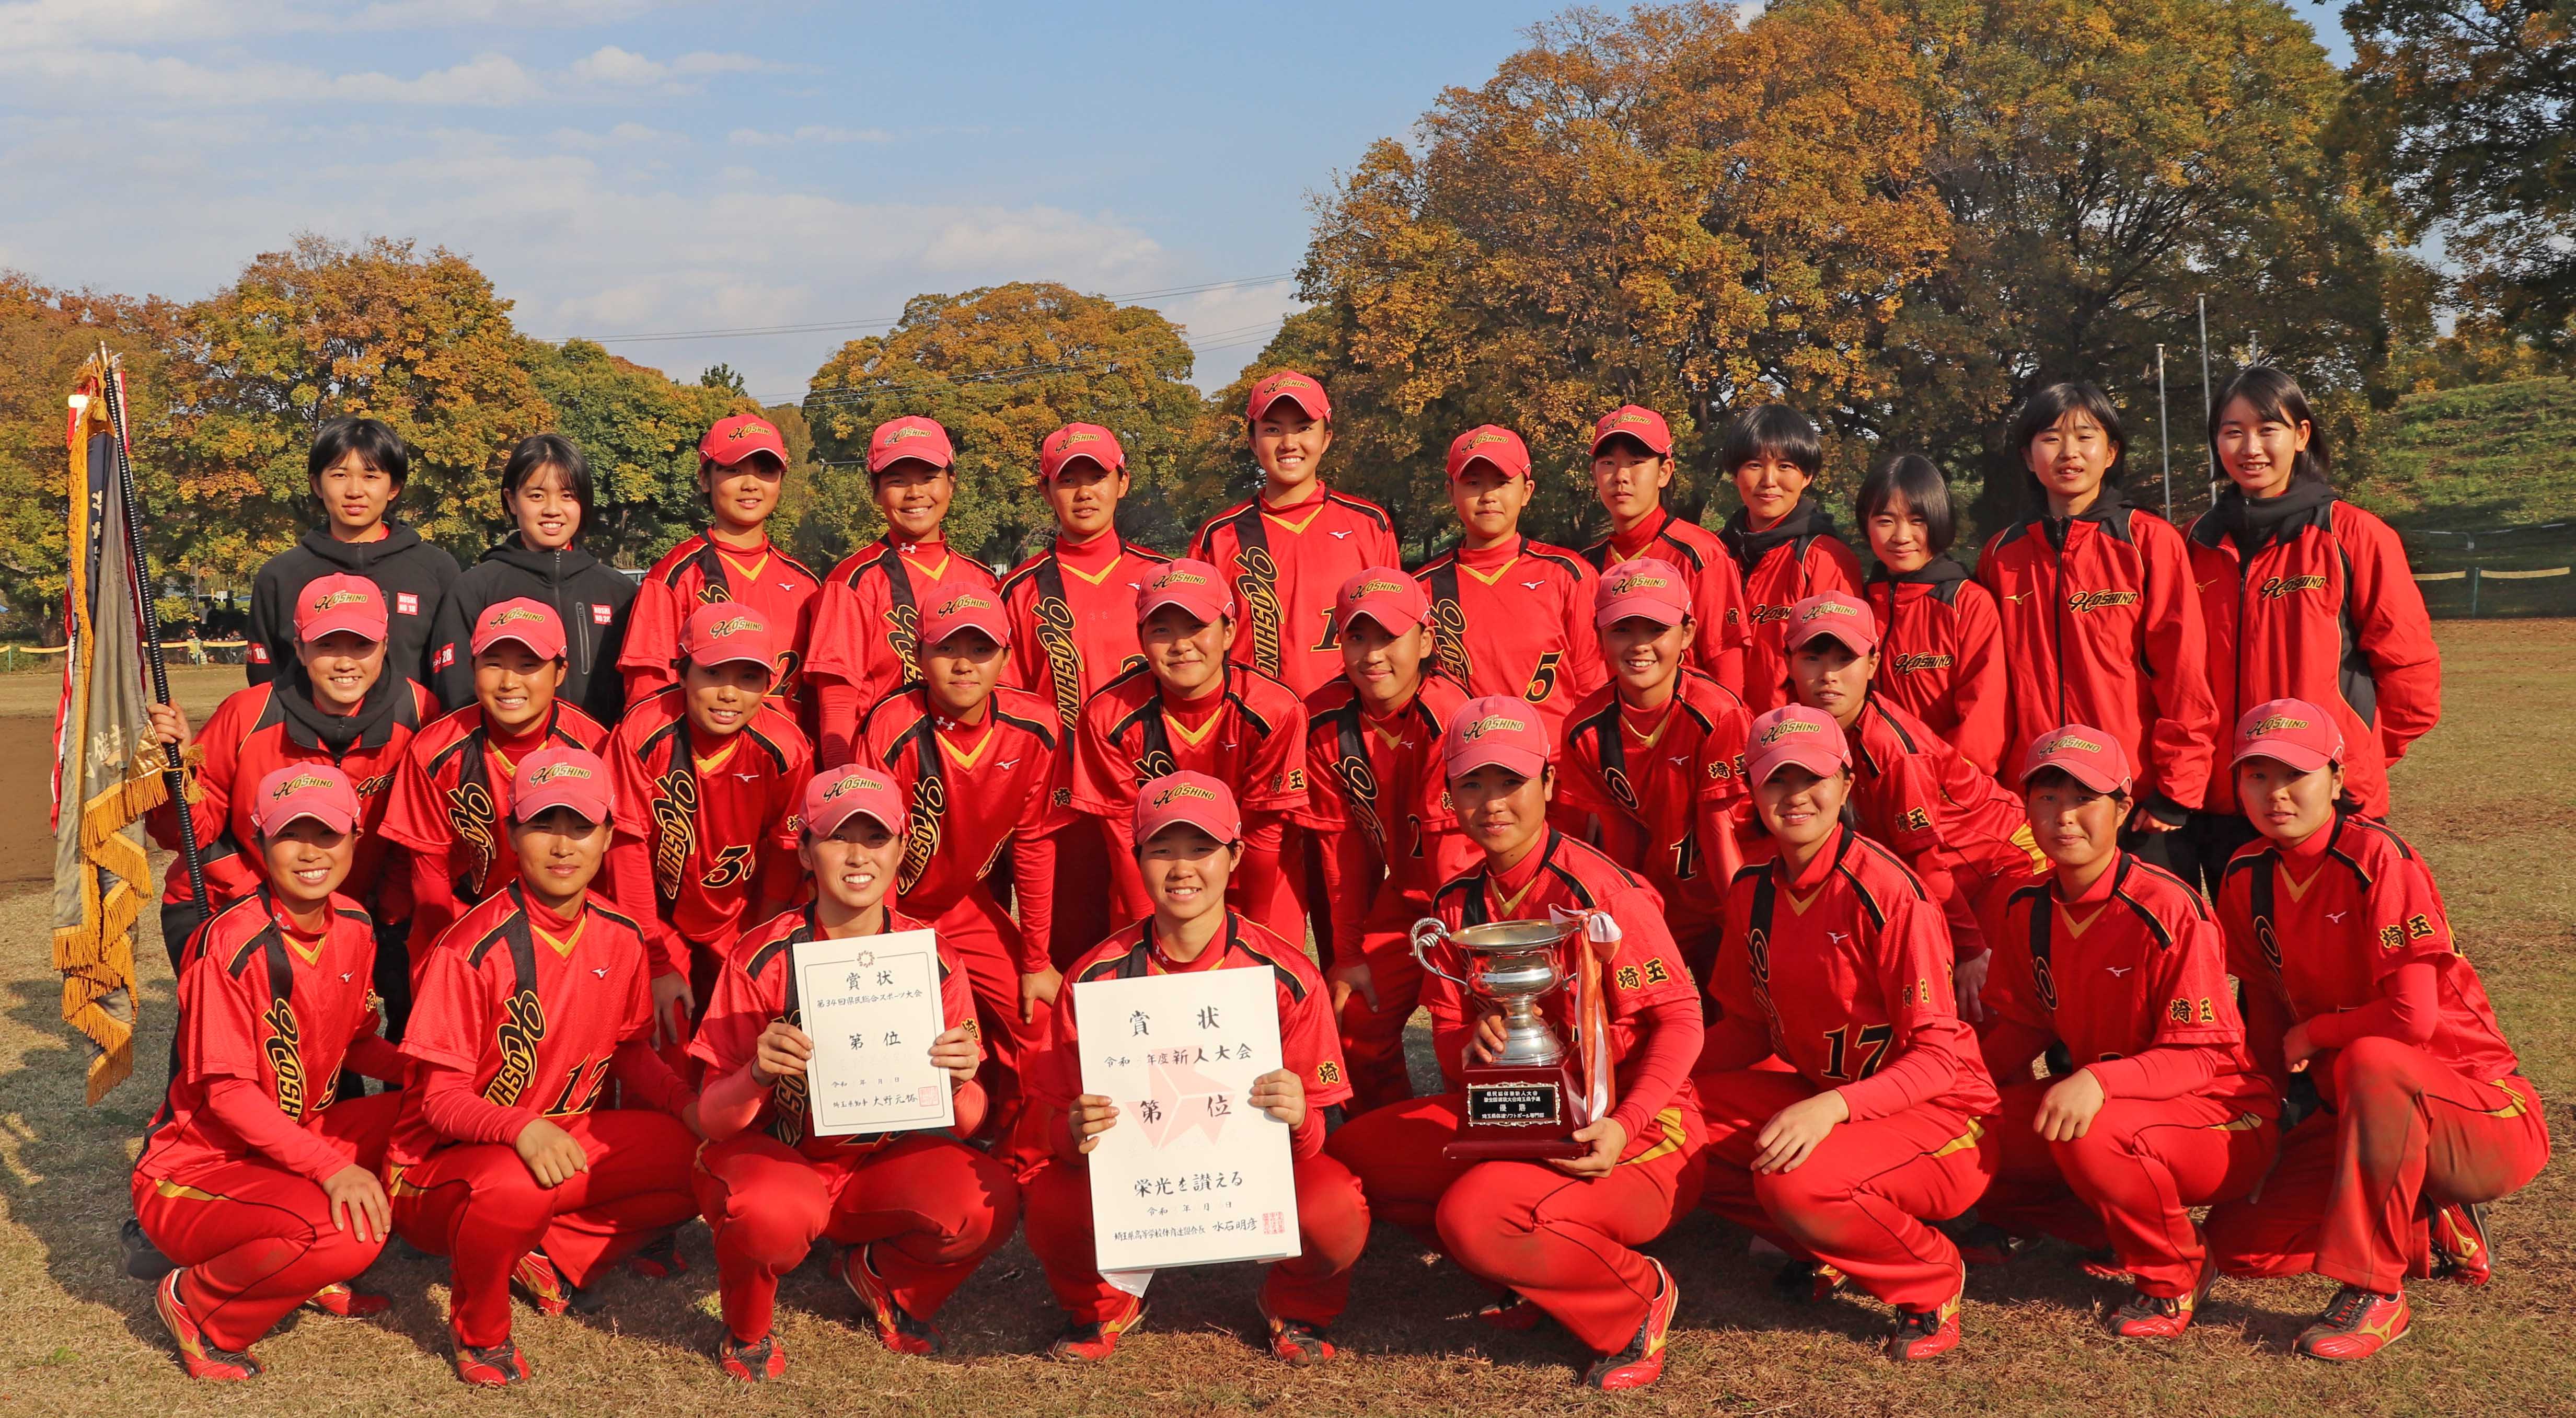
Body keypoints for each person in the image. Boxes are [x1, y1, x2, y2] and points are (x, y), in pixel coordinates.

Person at [1326, 697, 1705, 1390]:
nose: (1492, 802)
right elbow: (1446, 1037)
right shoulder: (1456, 903)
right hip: (1519, 1115)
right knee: (1357, 1159)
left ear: (1549, 785)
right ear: (1450, 796)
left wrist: (1627, 1124)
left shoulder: (1599, 890)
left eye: (1511, 781)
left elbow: (1681, 1018)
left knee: (1474, 1214)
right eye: (1472, 783)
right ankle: (1530, 1272)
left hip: (1635, 1130)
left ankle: (1634, 1300)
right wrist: (1475, 1044)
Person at [2202, 702, 2545, 1361]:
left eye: (2296, 774)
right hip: (2362, 1114)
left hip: (2484, 1114)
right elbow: (2267, 1010)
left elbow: (2412, 1018)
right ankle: (2428, 1225)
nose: (2276, 794)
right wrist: (2266, 1115)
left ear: (2336, 778)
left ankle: (2375, 1290)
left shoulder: (2379, 857)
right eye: (2258, 775)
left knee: (2370, 1057)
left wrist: (2317, 1033)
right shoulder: (2246, 874)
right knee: (2240, 1242)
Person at [1020, 771, 1368, 1366]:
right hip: (1142, 1177)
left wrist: (1300, 1115)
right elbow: (1055, 1129)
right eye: (1162, 849)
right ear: (1137, 858)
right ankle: (1101, 1305)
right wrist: (1075, 1132)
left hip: (1247, 1177)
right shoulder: (1096, 979)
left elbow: (1319, 1136)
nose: (1182, 868)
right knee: (1053, 1197)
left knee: (1334, 1204)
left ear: (1235, 856)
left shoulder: (1284, 974)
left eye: (1201, 849)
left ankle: (1296, 1304)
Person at [688, 767, 1021, 1381]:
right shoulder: (762, 954)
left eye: (876, 837)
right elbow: (711, 1117)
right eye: (838, 837)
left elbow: (968, 1117)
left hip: (873, 1164)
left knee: (987, 1200)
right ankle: (748, 1327)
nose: (858, 855)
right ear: (806, 851)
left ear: (902, 847)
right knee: (767, 1210)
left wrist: (959, 1076)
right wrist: (758, 1072)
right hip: (780, 1161)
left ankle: (883, 1276)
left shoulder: (932, 956)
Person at [386, 747, 703, 1386]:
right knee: (512, 1185)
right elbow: (438, 1100)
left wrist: (686, 1106)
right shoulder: (468, 946)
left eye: (581, 826)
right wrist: (521, 1128)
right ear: (510, 833)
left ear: (609, 836)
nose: (563, 845)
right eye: (542, 824)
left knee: (697, 1158)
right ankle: (481, 1329)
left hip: (558, 1140)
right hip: (441, 1163)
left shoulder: (620, 933)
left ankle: (552, 1252)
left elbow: (632, 1050)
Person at [1694, 706, 1999, 1363]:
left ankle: (1930, 1277)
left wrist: (1831, 1107)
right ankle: (1832, 1247)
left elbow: (1939, 1061)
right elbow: (1747, 1028)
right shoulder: (1753, 889)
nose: (1795, 795)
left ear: (1846, 783)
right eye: (1776, 779)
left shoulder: (1891, 892)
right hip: (1833, 1099)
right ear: (1753, 788)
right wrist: (1652, 1076)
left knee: (1792, 1181)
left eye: (1813, 778)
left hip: (1945, 1116)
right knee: (1670, 1121)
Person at [1968, 728, 2278, 1337]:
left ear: (2122, 808)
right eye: (2048, 798)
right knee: (1968, 1122)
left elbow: (2204, 1057)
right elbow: (2026, 1024)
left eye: (2085, 799)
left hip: (2224, 1117)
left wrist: (2099, 1080)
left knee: (2092, 1130)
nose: (2064, 817)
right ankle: (2097, 1226)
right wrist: (1952, 1087)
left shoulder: (2167, 906)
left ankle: (2175, 1275)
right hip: (2113, 1109)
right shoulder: (2025, 905)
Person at [133, 764, 405, 1381]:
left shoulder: (356, 926)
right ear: (260, 841)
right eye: (290, 834)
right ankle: (198, 1307)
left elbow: (357, 1042)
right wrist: (332, 1166)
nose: (311, 852)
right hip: (199, 1171)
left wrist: (429, 1075)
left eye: (328, 833)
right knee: (348, 1234)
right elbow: (227, 1096)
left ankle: (302, 1270)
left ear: (356, 836)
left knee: (426, 1111)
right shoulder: (226, 944)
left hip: (286, 1149)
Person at [2185, 366, 2439, 870]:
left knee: (2332, 943)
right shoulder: (2191, 543)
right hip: (2221, 800)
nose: (2250, 447)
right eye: (2232, 432)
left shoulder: (2354, 535)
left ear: (2301, 435)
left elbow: (2410, 671)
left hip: (2328, 799)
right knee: (2238, 943)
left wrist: (2350, 758)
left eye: (2266, 429)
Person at [1191, 373, 1401, 959]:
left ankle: (1346, 1048)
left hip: (1343, 747)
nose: (1289, 442)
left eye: (1303, 428)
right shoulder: (1219, 535)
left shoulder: (1368, 524)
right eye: (1273, 428)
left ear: (1327, 435)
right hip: (1256, 753)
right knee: (1262, 928)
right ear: (1251, 437)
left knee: (1350, 930)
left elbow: (1398, 641)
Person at [857, 591, 1068, 1159]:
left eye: (981, 648)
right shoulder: (889, 725)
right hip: (886, 912)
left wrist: (1036, 958)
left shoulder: (1037, 726)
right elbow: (861, 853)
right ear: (918, 655)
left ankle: (1023, 1158)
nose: (964, 663)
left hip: (959, 903)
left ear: (1005, 657)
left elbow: (1034, 844)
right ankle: (874, 1156)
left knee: (1041, 1016)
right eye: (946, 648)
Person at [1977, 382, 2217, 878]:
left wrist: (2176, 790)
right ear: (2027, 456)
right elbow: (1991, 690)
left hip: (2136, 797)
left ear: (2110, 452)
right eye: (2050, 438)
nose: (2068, 452)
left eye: (2085, 437)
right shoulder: (2001, 555)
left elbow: (2184, 672)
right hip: (2036, 799)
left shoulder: (2148, 541)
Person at [148, 573, 437, 970]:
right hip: (231, 902)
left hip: (347, 915)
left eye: (362, 644)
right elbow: (187, 835)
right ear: (299, 649)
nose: (345, 661)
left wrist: (385, 914)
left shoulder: (420, 712)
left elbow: (415, 837)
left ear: (385, 645)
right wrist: (176, 775)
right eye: (326, 644)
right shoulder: (245, 714)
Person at [1782, 595, 2043, 1017]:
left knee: (1981, 1003)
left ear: (1872, 663)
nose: (1828, 675)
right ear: (1788, 660)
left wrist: (1969, 949)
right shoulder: (1797, 728)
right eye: (1813, 657)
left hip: (1999, 863)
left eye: (1844, 658)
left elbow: (1926, 863)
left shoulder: (1893, 750)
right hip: (1943, 875)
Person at [1291, 569, 1478, 1112]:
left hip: (1476, 902)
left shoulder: (1452, 714)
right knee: (1355, 1019)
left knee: (1463, 1033)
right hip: (1407, 898)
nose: (1373, 655)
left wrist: (1461, 962)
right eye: (1358, 637)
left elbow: (1453, 858)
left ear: (1425, 641)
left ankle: (1467, 1141)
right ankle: (1391, 1138)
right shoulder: (1324, 718)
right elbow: (1339, 846)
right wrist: (1348, 954)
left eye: (1390, 637)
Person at [381, 599, 610, 1033]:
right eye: (493, 663)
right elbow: (428, 870)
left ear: (561, 671)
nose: (509, 682)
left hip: (564, 924)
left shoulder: (595, 747)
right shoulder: (436, 748)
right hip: (462, 918)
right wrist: (446, 955)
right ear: (471, 667)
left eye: (529, 664)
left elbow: (607, 865)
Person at [1000, 422, 1175, 964]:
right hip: (1061, 804)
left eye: (1096, 477)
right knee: (1069, 959)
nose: (1084, 492)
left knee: (1153, 945)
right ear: (1045, 490)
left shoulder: (1165, 579)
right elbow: (1008, 708)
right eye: (1067, 479)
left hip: (1150, 792)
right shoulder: (1020, 589)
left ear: (1122, 482)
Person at [1067, 559, 1310, 942]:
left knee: (1261, 992)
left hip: (1256, 877)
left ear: (1229, 630)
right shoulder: (1107, 715)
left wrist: (1258, 933)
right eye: (1161, 629)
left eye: (1196, 627)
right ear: (1140, 636)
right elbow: (1120, 838)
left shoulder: (1274, 709)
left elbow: (1265, 833)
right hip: (1154, 881)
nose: (1181, 645)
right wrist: (1152, 928)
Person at [606, 602, 812, 1054]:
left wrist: (759, 941)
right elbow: (627, 849)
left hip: (742, 912)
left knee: (743, 1042)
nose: (729, 694)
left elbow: (783, 853)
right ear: (681, 672)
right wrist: (656, 961)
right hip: (657, 914)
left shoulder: (785, 747)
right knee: (668, 1037)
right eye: (713, 673)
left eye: (748, 678)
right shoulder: (643, 730)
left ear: (768, 684)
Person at [1554, 558, 1751, 982]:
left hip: (1730, 890)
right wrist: (1623, 912)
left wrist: (1744, 920)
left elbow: (1721, 830)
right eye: (1622, 629)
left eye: (1656, 629)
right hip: (1659, 894)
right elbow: (1615, 836)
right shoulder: (1583, 729)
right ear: (1599, 636)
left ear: (1687, 633)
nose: (1639, 645)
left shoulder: (1719, 713)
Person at [807, 416, 1002, 767]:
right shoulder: (852, 581)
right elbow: (836, 700)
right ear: (875, 490)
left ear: (951, 484)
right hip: (879, 769)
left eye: (929, 478)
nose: (915, 494)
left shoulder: (983, 581)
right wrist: (844, 780)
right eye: (897, 481)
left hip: (972, 768)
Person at [428, 433, 637, 728]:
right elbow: (455, 693)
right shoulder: (475, 588)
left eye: (568, 496)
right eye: (537, 495)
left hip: (598, 762)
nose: (553, 509)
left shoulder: (620, 592)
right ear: (512, 501)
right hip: (501, 765)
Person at [1412, 425, 1605, 738]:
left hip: (1552, 767)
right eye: (1473, 483)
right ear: (1451, 492)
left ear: (1526, 492)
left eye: (1502, 483)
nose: (1488, 497)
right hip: (1464, 770)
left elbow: (1592, 688)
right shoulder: (1421, 589)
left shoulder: (1569, 575)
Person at [619, 413, 821, 710]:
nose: (751, 484)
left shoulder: (807, 584)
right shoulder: (673, 576)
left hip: (788, 754)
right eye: (734, 470)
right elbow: (647, 695)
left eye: (766, 470)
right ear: (705, 479)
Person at [244, 416, 459, 690]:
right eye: (339, 475)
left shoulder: (436, 569)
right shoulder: (280, 575)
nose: (355, 491)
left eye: (370, 476)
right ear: (317, 485)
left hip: (412, 732)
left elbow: (451, 680)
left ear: (394, 487)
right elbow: (265, 682)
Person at [1579, 405, 1752, 697]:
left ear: (1664, 472)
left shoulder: (1701, 553)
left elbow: (1725, 666)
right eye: (1608, 463)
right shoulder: (1584, 566)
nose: (1621, 476)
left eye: (1636, 462)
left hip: (1685, 727)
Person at [1856, 454, 2005, 776]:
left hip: (1947, 788)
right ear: (1865, 523)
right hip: (1869, 786)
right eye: (1885, 521)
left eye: (1917, 520)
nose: (1901, 536)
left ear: (1939, 519)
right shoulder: (1858, 605)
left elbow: (1983, 716)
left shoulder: (1967, 603)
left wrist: (1941, 782)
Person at [1713, 404, 1863, 715]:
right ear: (1735, 473)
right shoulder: (1712, 554)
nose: (1769, 480)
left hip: (1793, 741)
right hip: (1717, 732)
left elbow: (1839, 672)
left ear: (1807, 476)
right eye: (1755, 465)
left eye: (1785, 467)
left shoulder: (1824, 558)